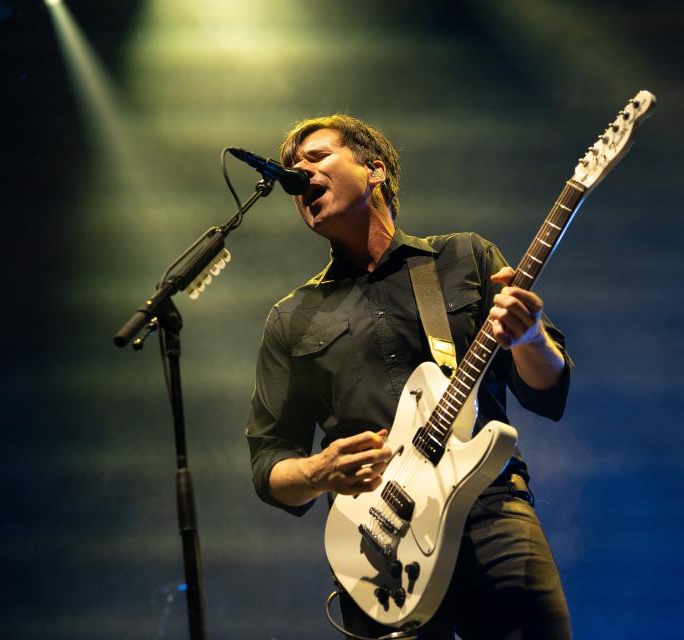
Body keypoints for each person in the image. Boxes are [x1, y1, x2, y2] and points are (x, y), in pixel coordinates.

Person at [245, 114, 573, 639]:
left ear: (375, 170)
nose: (299, 175)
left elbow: (548, 393)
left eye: (317, 157)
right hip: (378, 545)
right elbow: (268, 464)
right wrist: (319, 471)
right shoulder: (293, 317)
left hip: (488, 509)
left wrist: (530, 335)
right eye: (291, 169)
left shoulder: (464, 257)